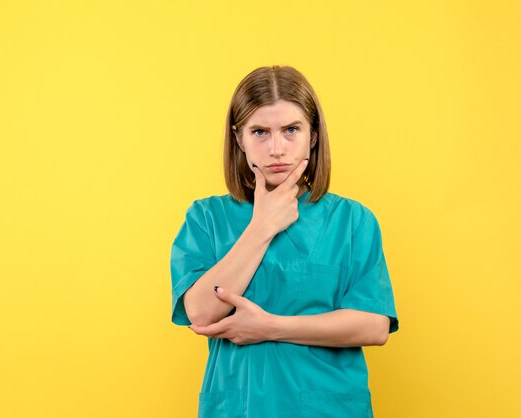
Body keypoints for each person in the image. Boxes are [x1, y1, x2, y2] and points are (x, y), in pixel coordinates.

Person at [170, 65, 399, 418]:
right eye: (259, 131)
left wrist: (270, 327)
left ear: (313, 136)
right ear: (239, 138)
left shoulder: (352, 221)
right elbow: (199, 311)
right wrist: (261, 227)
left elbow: (373, 324)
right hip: (238, 407)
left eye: (291, 130)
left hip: (329, 407)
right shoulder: (206, 218)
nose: (276, 148)